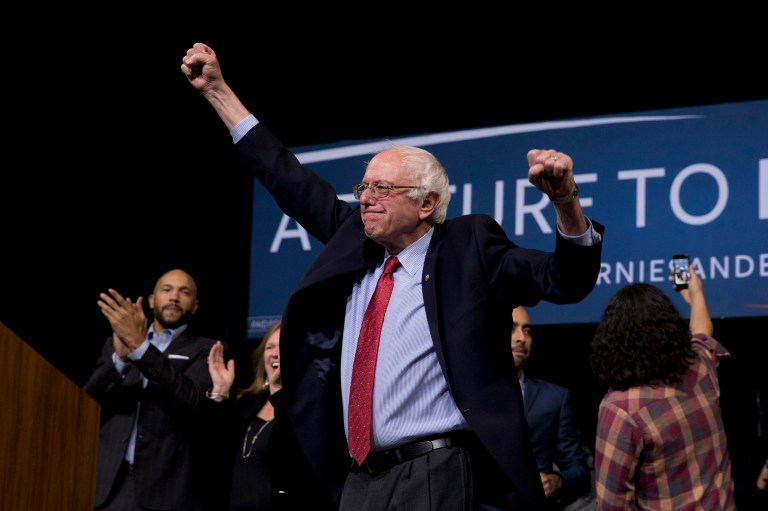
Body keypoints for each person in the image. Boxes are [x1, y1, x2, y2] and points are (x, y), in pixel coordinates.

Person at [181, 42, 605, 511]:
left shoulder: (469, 246)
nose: (366, 198)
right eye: (364, 187)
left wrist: (566, 203)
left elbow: (565, 280)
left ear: (426, 204)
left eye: (383, 188)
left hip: (435, 470)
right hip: (359, 477)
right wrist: (219, 92)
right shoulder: (355, 241)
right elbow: (286, 177)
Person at [589, 265, 736, 510]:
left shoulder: (620, 408)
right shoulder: (700, 367)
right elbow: (701, 332)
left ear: (613, 341)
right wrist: (696, 295)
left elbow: (611, 504)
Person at [83, 268, 218, 511]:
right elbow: (88, 398)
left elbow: (191, 398)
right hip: (110, 485)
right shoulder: (119, 341)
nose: (174, 297)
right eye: (167, 290)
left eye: (183, 292)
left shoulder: (206, 349)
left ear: (195, 305)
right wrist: (122, 360)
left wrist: (140, 347)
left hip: (166, 489)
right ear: (153, 300)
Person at [204, 322, 332, 510]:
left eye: (282, 346)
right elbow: (210, 449)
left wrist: (279, 391)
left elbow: (295, 461)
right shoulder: (246, 403)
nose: (274, 353)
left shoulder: (306, 408)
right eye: (269, 347)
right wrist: (220, 392)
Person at [511, 306, 593, 510]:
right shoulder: (469, 396)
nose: (521, 337)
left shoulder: (553, 397)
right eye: (512, 328)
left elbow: (578, 467)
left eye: (527, 330)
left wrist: (557, 481)